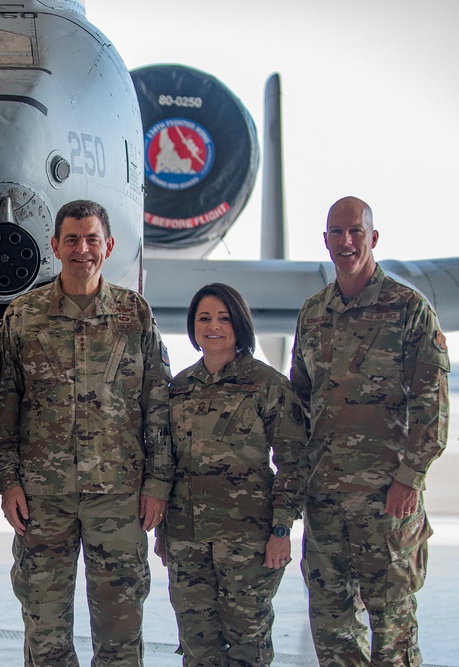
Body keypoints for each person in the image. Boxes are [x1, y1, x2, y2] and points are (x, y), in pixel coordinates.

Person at [0, 199, 172, 666]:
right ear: (54, 246)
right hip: (42, 499)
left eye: (92, 239)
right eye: (71, 239)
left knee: (120, 631)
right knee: (45, 629)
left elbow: (157, 405)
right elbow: (4, 409)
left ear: (108, 246)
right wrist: (8, 482)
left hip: (119, 497)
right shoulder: (22, 316)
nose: (82, 249)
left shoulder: (135, 315)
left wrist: (157, 485)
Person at [290, 196, 450, 665]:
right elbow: (300, 403)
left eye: (355, 231)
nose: (346, 241)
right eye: (336, 233)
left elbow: (432, 408)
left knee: (393, 632)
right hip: (325, 504)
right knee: (333, 630)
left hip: (387, 503)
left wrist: (409, 478)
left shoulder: (409, 310)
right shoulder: (313, 313)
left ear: (372, 237)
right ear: (325, 241)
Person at [159, 283, 308, 665]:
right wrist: (164, 534)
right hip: (186, 539)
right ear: (192, 326)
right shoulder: (178, 388)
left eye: (224, 318)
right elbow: (166, 464)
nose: (214, 326)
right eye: (204, 318)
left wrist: (281, 531)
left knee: (247, 644)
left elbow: (293, 461)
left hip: (248, 541)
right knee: (196, 645)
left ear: (239, 324)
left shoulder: (267, 384)